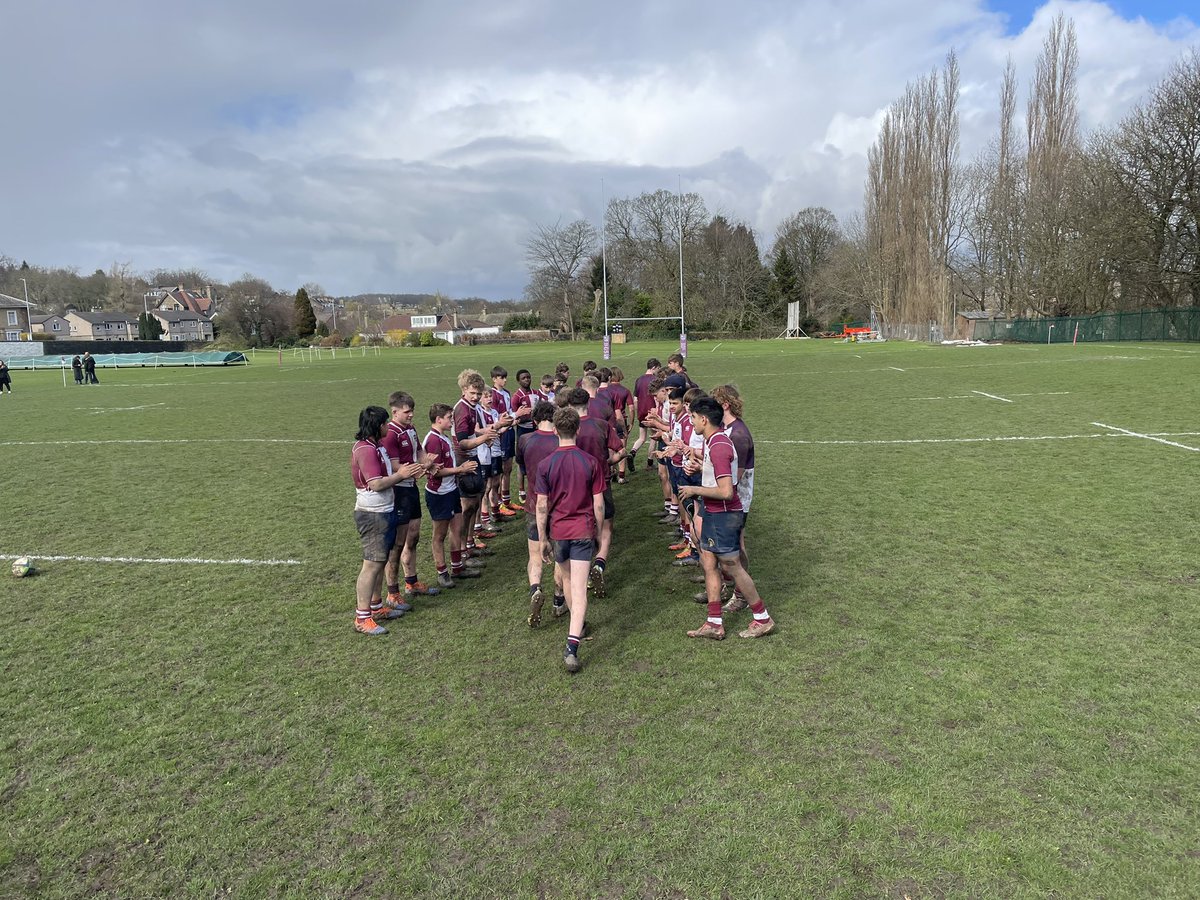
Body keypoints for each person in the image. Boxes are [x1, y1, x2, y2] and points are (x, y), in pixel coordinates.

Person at [679, 397, 775, 640]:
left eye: (692, 417)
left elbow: (726, 491)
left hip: (724, 514)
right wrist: (701, 470)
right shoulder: (716, 441)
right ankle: (714, 622)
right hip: (714, 512)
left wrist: (694, 490)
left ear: (703, 419)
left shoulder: (720, 446)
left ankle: (762, 617)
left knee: (732, 566)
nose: (691, 422)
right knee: (709, 562)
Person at [534, 406, 606, 673]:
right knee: (579, 587)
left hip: (559, 532)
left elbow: (542, 505)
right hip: (583, 530)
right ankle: (572, 645)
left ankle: (576, 625)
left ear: (555, 431)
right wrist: (598, 533)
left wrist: (542, 538)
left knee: (565, 580)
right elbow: (598, 505)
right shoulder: (590, 462)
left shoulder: (545, 465)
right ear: (578, 430)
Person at [350, 406, 415, 635]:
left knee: (379, 561)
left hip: (383, 510)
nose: (388, 426)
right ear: (378, 426)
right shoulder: (366, 450)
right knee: (371, 565)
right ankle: (362, 617)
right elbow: (376, 483)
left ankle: (376, 608)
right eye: (386, 423)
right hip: (373, 514)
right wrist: (401, 475)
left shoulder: (375, 446)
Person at [381, 390, 440, 613]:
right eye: (407, 412)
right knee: (397, 543)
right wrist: (419, 468)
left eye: (412, 411)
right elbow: (395, 465)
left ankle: (411, 581)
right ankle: (392, 593)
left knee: (413, 536)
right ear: (394, 412)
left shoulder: (410, 429)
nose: (411, 415)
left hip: (412, 489)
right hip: (399, 492)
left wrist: (429, 463)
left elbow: (419, 452)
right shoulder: (391, 433)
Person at [568, 387, 626, 596]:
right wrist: (608, 462)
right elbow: (622, 451)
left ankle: (579, 573)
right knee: (606, 526)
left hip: (575, 485)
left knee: (580, 528)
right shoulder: (601, 425)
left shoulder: (568, 428)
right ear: (588, 403)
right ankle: (599, 564)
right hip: (601, 483)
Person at [424, 403, 483, 587]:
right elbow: (435, 472)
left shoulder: (444, 437)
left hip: (451, 490)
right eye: (449, 418)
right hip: (439, 493)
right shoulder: (433, 440)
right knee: (439, 534)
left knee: (457, 529)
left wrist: (459, 472)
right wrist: (460, 469)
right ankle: (442, 572)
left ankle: (457, 568)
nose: (452, 421)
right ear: (438, 419)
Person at [516, 400, 563, 626]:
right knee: (560, 558)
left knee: (535, 555)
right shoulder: (561, 441)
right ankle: (558, 600)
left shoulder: (525, 440)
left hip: (535, 506)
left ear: (534, 419)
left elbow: (523, 468)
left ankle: (535, 588)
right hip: (560, 507)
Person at [453, 369, 498, 564]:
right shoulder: (462, 409)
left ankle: (469, 544)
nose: (476, 397)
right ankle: (462, 551)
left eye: (479, 393)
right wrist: (484, 439)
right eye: (473, 393)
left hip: (473, 458)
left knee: (475, 503)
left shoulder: (471, 407)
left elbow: (475, 434)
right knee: (467, 507)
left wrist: (485, 436)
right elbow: (462, 442)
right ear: (464, 390)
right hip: (464, 461)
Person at [490, 365, 526, 515]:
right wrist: (516, 415)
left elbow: (510, 412)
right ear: (494, 379)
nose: (504, 380)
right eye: (501, 377)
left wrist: (515, 416)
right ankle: (497, 503)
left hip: (510, 431)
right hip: (502, 433)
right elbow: (498, 417)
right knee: (500, 469)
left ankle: (506, 500)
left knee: (508, 467)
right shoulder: (492, 395)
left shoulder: (506, 393)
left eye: (505, 377)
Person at [512, 369, 538, 504]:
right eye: (523, 378)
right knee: (521, 461)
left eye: (528, 377)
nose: (527, 379)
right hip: (523, 431)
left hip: (535, 430)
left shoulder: (536, 393)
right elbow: (514, 416)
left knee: (534, 459)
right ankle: (521, 489)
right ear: (518, 380)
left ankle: (533, 487)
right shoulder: (517, 397)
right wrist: (524, 417)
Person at [629, 358, 661, 469]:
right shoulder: (656, 380)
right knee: (653, 437)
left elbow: (636, 399)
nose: (658, 371)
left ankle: (632, 452)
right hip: (652, 412)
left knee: (641, 437)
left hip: (641, 412)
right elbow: (657, 399)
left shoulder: (639, 380)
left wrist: (638, 412)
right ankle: (649, 463)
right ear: (653, 368)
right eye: (658, 369)